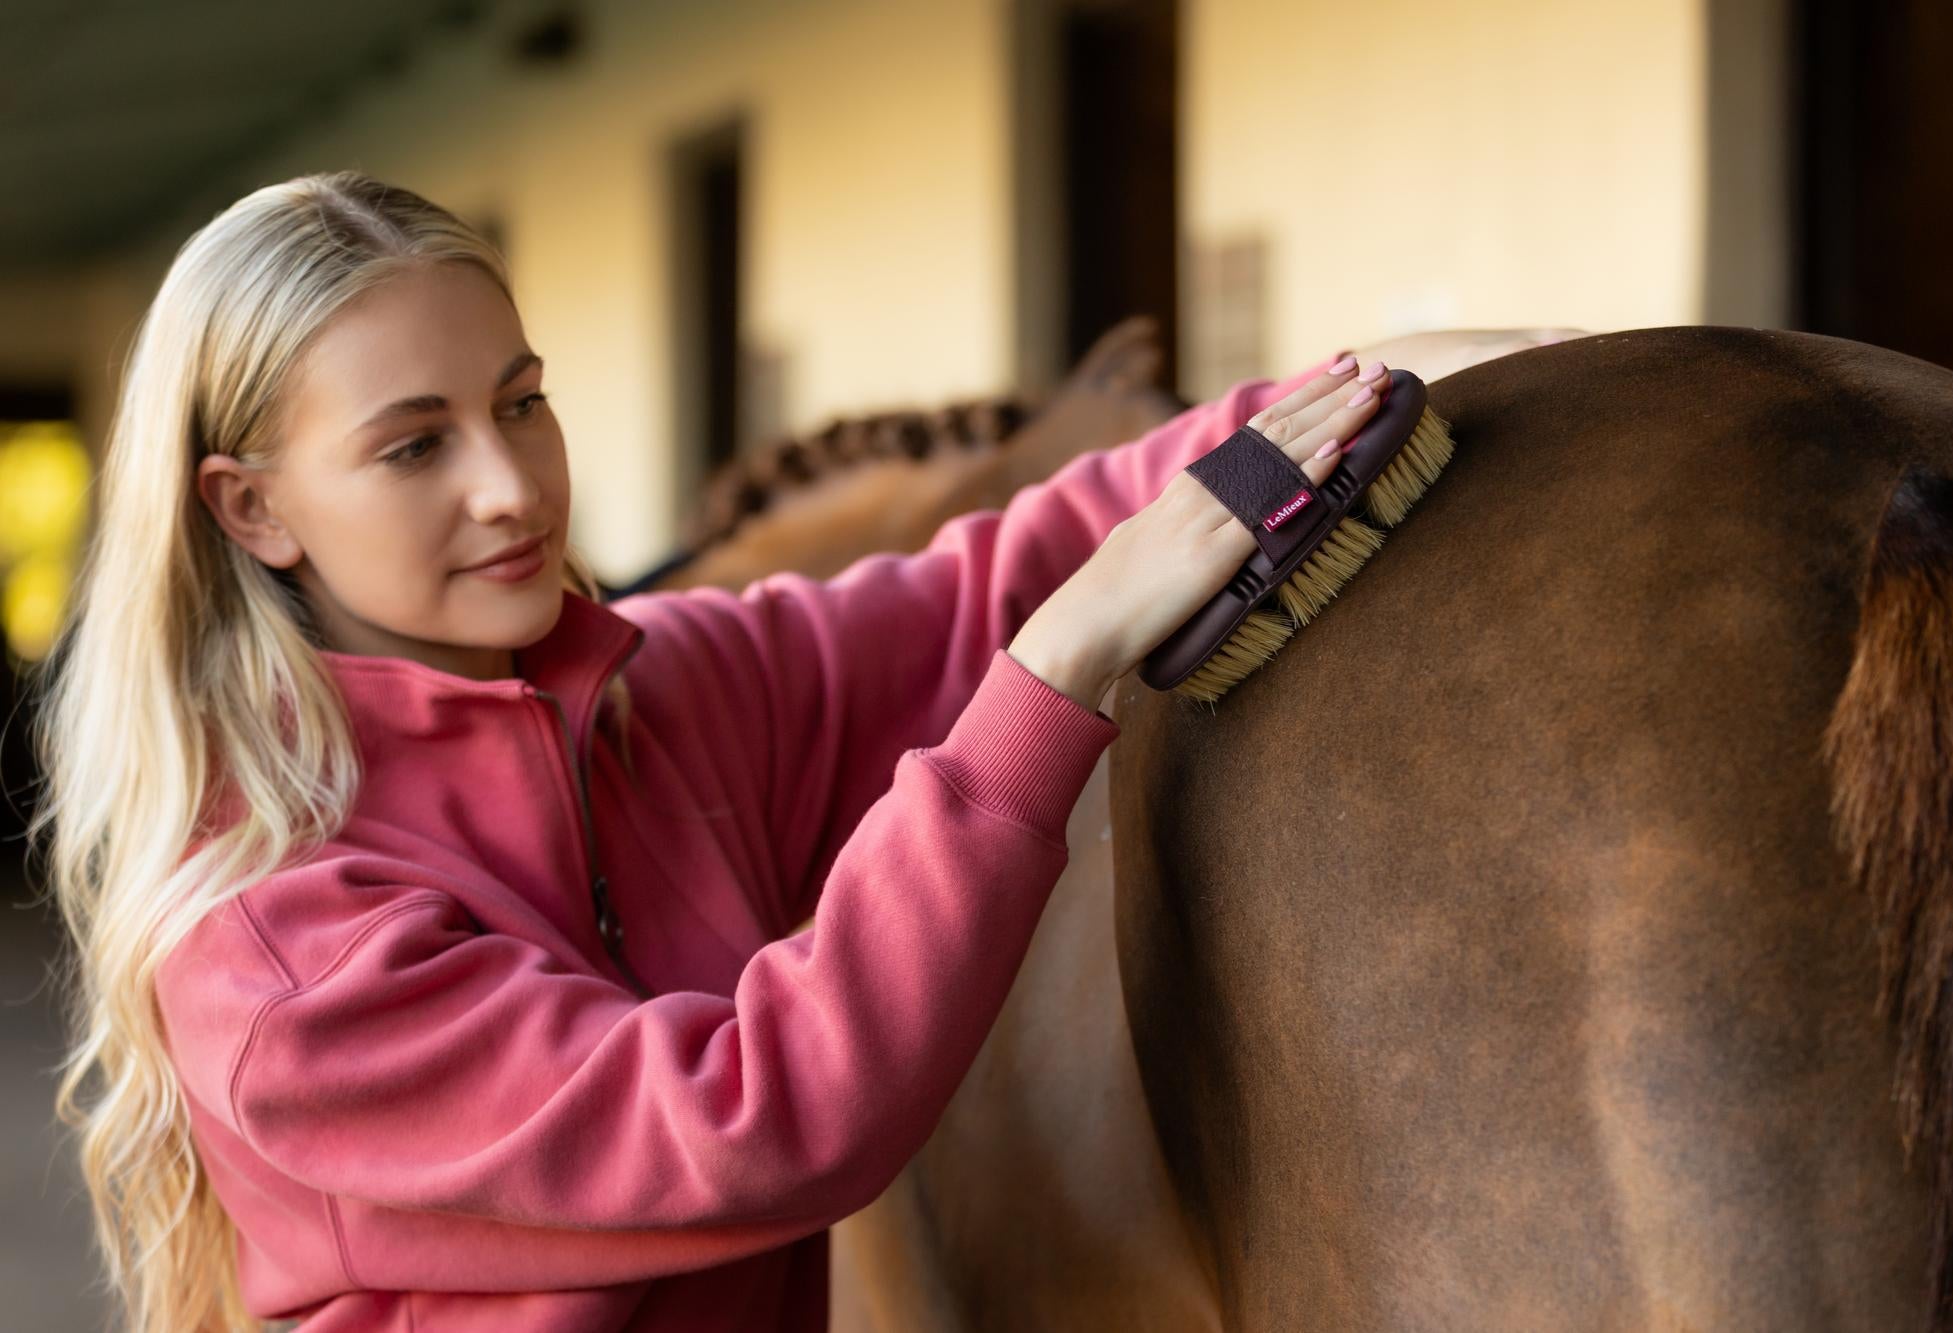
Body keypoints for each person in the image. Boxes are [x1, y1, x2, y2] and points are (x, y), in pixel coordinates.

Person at [28, 169, 1573, 1331]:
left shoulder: (657, 697)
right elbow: (754, 1121)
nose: (511, 487)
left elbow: (1007, 567)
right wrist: (1059, 671)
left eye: (525, 402)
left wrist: (1406, 375)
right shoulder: (275, 947)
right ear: (252, 507)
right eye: (416, 443)